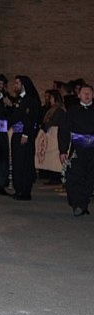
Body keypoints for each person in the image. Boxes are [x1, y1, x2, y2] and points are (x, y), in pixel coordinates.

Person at [58, 84, 94, 216]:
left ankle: (83, 204)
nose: (86, 95)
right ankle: (77, 204)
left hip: (93, 151)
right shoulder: (72, 111)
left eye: (89, 92)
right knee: (75, 178)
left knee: (90, 179)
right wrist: (63, 150)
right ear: (79, 95)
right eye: (84, 92)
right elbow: (64, 131)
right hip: (77, 150)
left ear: (93, 95)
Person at [9, 75, 41, 201]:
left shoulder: (31, 99)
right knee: (17, 162)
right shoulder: (19, 100)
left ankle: (25, 191)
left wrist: (26, 133)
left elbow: (31, 118)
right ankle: (19, 189)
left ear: (23, 85)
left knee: (25, 163)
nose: (15, 86)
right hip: (17, 134)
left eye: (17, 83)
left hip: (24, 135)